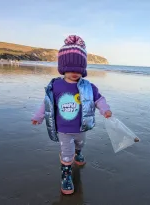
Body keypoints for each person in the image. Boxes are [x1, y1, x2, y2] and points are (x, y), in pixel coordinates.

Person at [31, 35, 112, 195]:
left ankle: (79, 152)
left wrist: (105, 109)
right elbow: (46, 103)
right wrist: (38, 116)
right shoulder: (57, 85)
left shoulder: (89, 87)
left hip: (81, 126)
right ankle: (66, 175)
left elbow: (99, 99)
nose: (75, 72)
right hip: (63, 129)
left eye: (79, 69)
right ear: (63, 67)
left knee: (80, 144)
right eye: (70, 68)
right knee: (67, 154)